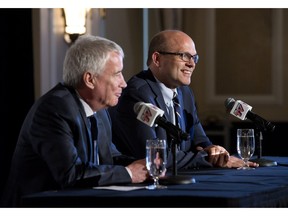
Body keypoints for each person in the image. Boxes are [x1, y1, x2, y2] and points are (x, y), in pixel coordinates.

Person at [1, 35, 148, 207]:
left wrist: (145, 166)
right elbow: (70, 174)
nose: (123, 83)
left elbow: (109, 157)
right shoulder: (55, 108)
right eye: (117, 74)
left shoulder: (99, 109)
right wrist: (129, 173)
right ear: (89, 79)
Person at [108, 29, 259, 170]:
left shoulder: (185, 93)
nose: (192, 64)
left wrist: (215, 152)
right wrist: (206, 157)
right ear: (157, 59)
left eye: (194, 58)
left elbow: (201, 142)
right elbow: (154, 156)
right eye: (183, 56)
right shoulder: (136, 94)